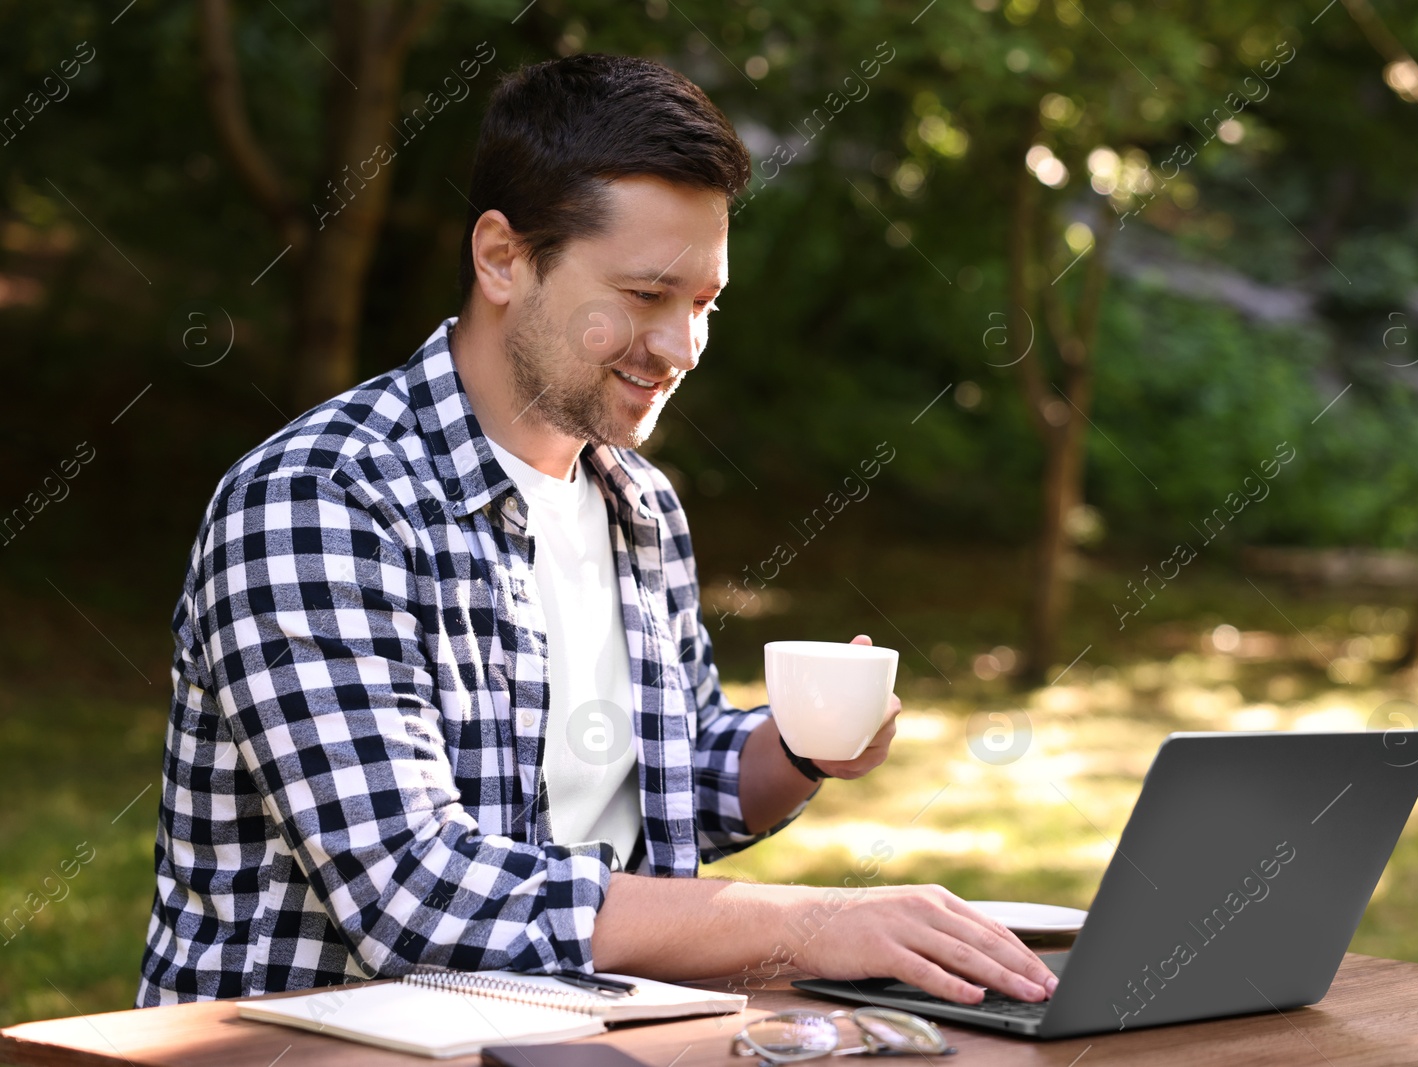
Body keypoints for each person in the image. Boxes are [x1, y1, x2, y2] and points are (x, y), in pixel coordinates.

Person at [138, 53, 1056, 1009]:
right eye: (646, 295)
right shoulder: (319, 502)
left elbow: (673, 784)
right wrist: (813, 924)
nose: (681, 348)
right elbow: (413, 897)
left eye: (704, 304)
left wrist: (800, 748)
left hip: (585, 1032)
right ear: (501, 258)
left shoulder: (638, 502)